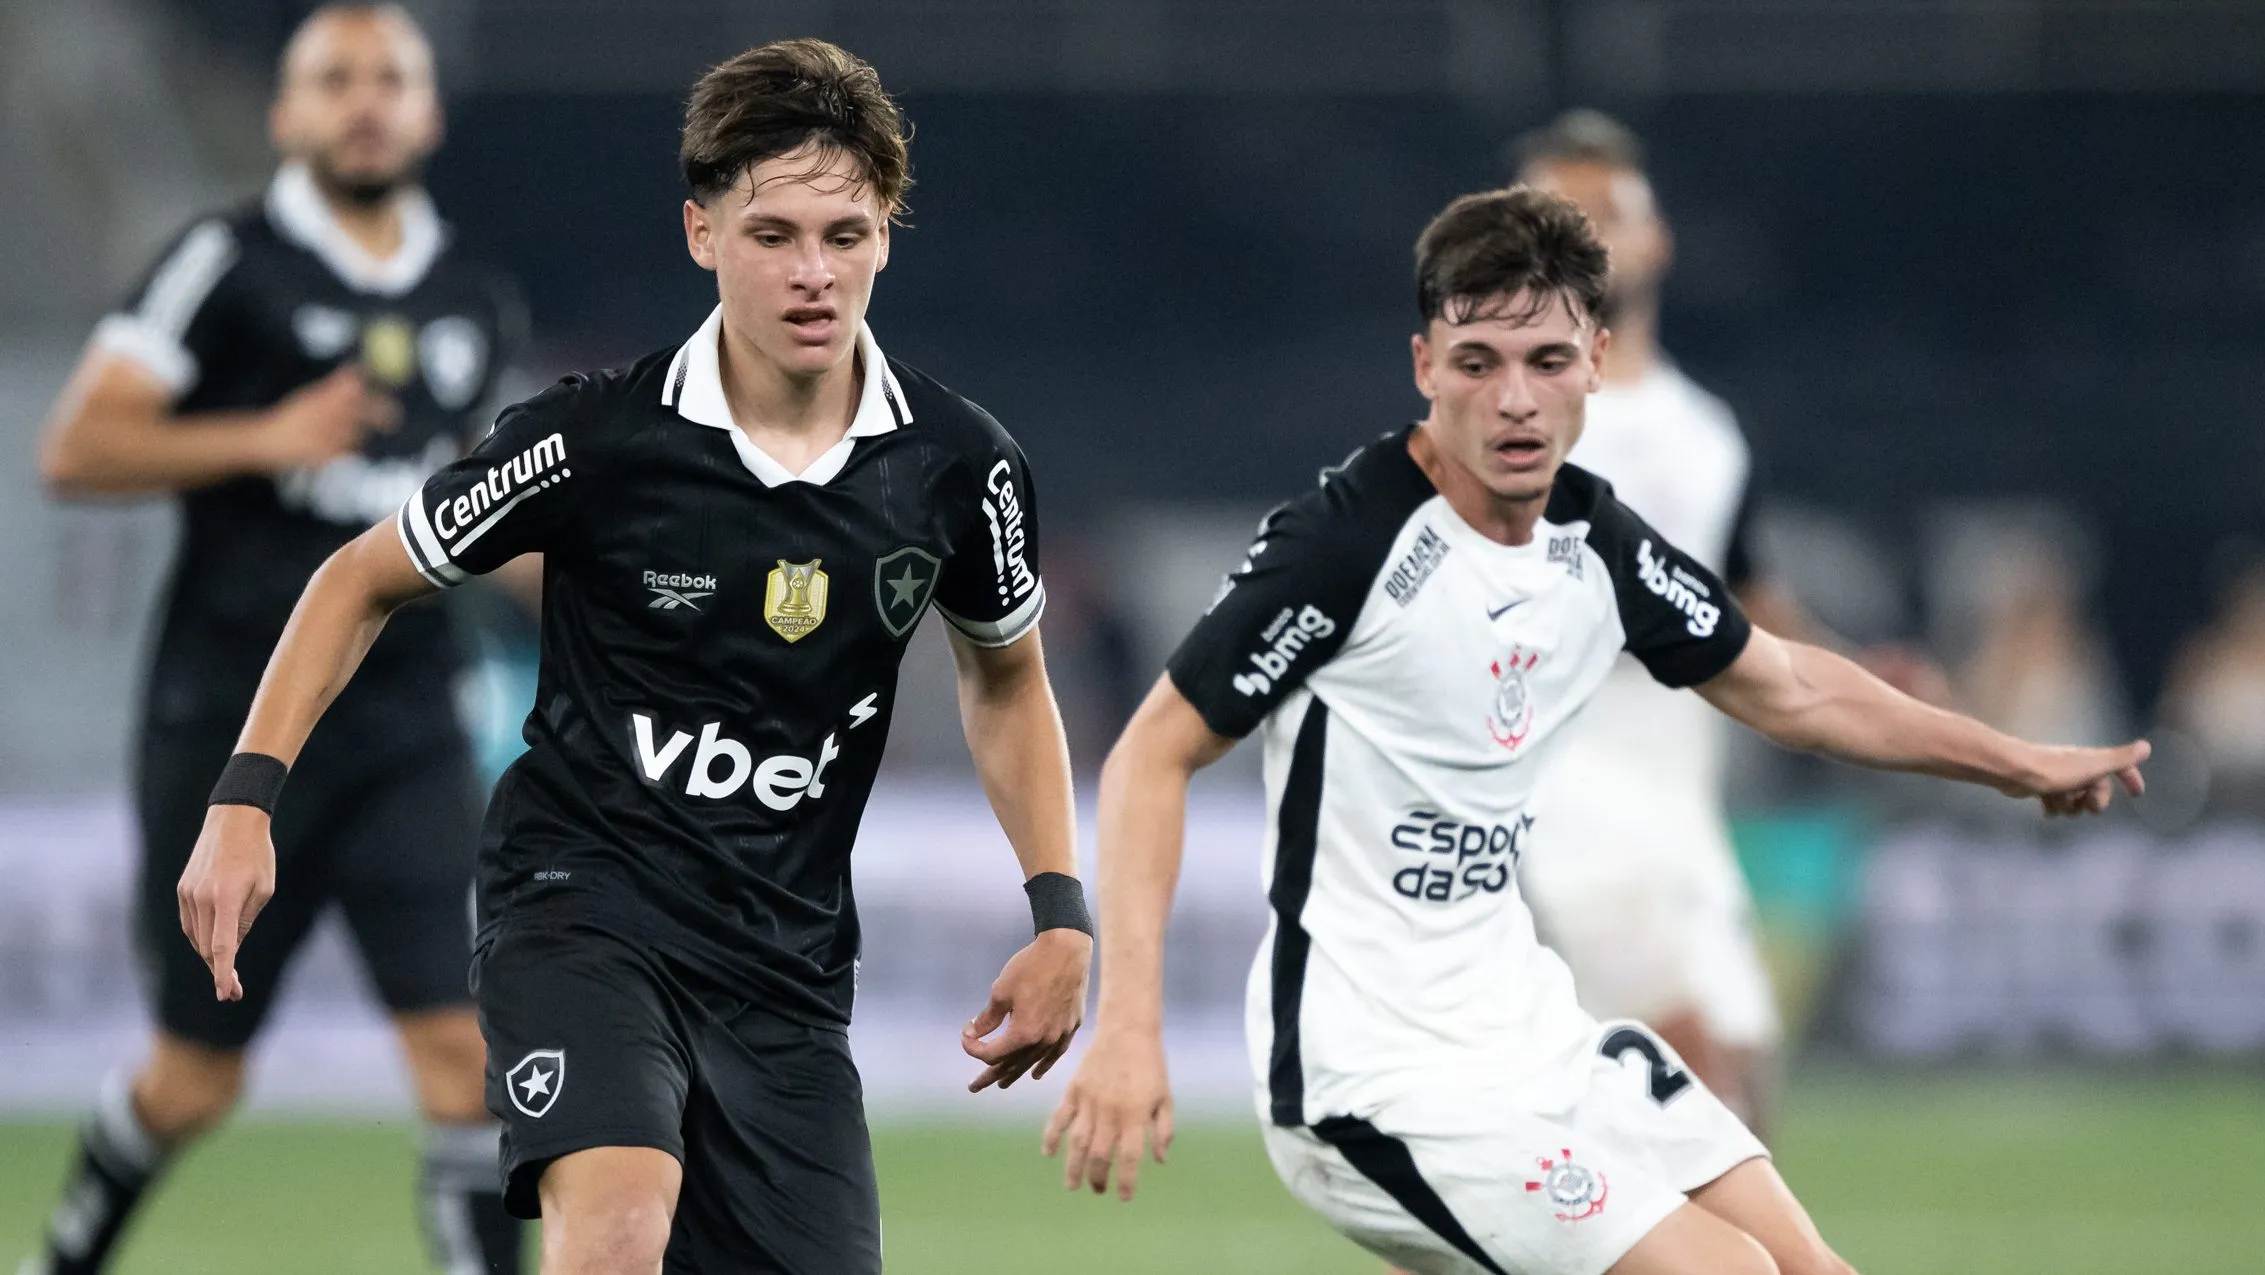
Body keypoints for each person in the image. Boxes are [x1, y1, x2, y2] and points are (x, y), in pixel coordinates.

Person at [1045, 187, 2146, 1275]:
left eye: (1548, 362)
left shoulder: (1597, 541)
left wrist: (2012, 760)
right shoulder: (1348, 545)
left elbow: (1794, 689)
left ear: (1598, 362)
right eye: (1478, 363)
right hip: (1369, 1079)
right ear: (1426, 367)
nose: (1516, 400)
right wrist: (1127, 1025)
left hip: (1534, 1039)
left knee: (1805, 1267)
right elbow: (1155, 750)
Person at [172, 38, 1093, 1274]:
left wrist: (1061, 912)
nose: (814, 273)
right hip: (581, 910)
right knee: (612, 1237)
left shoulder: (958, 468)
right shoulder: (595, 439)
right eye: (774, 235)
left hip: (786, 970)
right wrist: (246, 797)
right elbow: (358, 580)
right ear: (701, 233)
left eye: (847, 233)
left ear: (887, 235)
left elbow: (1007, 675)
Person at [27, 8, 527, 1273]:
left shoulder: (476, 292)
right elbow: (76, 447)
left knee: (467, 1059)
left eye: (390, 80)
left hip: (411, 725)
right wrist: (260, 436)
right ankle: (61, 1259)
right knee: (194, 1081)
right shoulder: (223, 265)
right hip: (230, 734)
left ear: (430, 114)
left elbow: (475, 519)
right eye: (334, 80)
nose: (364, 102)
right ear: (285, 117)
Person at [1506, 109, 1941, 1129]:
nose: (1582, 231)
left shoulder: (1705, 432)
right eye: (1551, 213)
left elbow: (1747, 598)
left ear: (1656, 238)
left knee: (1734, 1080)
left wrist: (1865, 677)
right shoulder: (1509, 414)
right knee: (1693, 1066)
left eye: (1604, 210)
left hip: (1681, 772)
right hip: (1566, 758)